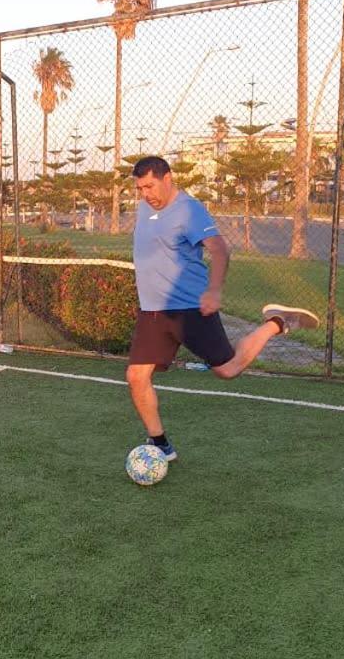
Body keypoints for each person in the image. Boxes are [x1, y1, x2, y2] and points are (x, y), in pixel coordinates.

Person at [127, 155, 319, 461]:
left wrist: (214, 291)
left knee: (228, 370)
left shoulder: (189, 210)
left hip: (189, 308)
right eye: (140, 188)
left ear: (168, 178)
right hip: (152, 311)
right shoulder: (144, 208)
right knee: (137, 376)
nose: (146, 193)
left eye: (150, 186)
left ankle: (277, 322)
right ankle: (161, 444)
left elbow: (219, 250)